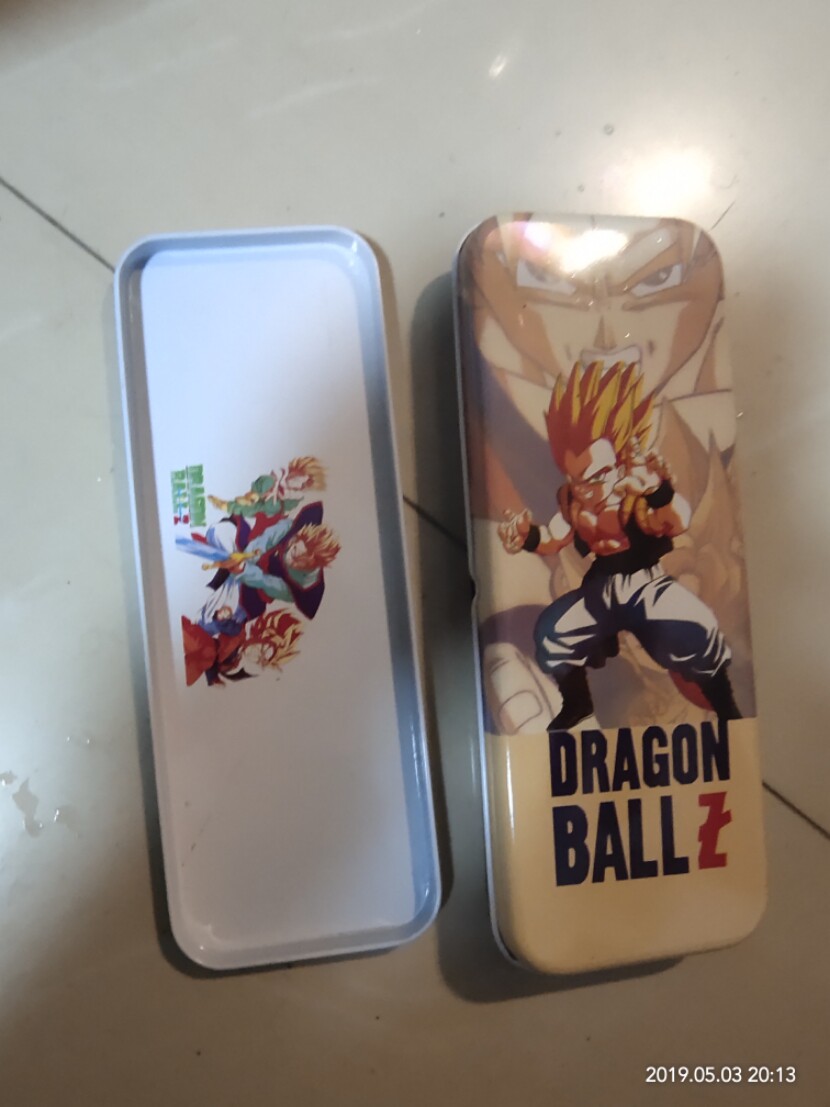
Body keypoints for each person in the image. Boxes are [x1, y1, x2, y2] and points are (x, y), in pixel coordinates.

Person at [498, 360, 740, 728]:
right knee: (554, 632)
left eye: (598, 477)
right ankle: (577, 704)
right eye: (578, 480)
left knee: (698, 629)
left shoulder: (634, 495)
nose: (588, 490)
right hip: (601, 589)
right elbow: (553, 538)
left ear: (619, 461)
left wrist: (658, 491)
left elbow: (678, 520)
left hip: (646, 586)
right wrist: (526, 537)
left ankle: (727, 709)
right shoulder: (574, 503)